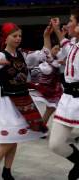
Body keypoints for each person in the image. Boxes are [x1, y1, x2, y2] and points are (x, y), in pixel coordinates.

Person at [0, 22, 47, 180]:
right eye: (14, 36)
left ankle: (6, 171)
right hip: (6, 100)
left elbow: (43, 54)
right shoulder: (1, 55)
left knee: (14, 136)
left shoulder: (23, 54)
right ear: (5, 38)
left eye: (20, 36)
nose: (18, 38)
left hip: (23, 98)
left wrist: (46, 37)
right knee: (12, 135)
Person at [49, 9, 79, 180]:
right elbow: (66, 43)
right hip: (67, 99)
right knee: (56, 144)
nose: (68, 24)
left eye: (71, 21)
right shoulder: (74, 43)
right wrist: (56, 29)